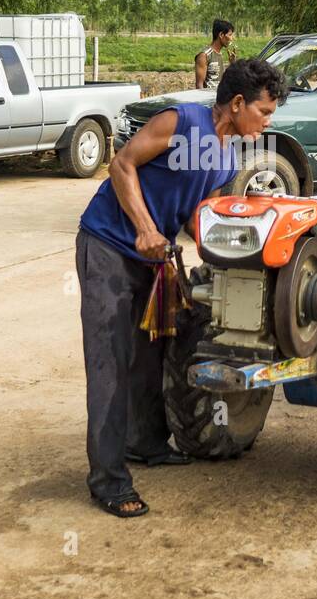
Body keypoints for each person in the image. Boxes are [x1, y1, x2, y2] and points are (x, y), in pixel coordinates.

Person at [75, 59, 289, 517]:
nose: (269, 122)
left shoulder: (227, 158)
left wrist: (249, 229)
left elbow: (201, 219)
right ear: (237, 103)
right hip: (108, 246)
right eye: (265, 112)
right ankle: (108, 481)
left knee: (153, 351)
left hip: (153, 259)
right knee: (110, 360)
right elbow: (122, 166)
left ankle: (146, 443)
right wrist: (147, 230)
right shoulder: (180, 122)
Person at [195, 19, 236, 89]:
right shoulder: (204, 55)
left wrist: (232, 63)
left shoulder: (220, 54)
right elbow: (199, 85)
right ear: (221, 35)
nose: (231, 38)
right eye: (230, 35)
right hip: (209, 99)